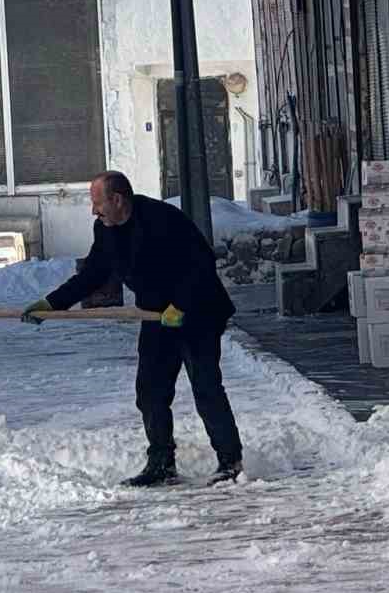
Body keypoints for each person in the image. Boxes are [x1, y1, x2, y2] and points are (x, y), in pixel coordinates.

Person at [23, 171, 243, 488]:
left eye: (97, 203)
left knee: (205, 386)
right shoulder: (106, 229)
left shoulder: (163, 219)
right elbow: (93, 274)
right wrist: (51, 304)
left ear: (118, 199)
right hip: (157, 316)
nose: (93, 211)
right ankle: (161, 464)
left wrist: (180, 306)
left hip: (199, 312)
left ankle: (230, 462)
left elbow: (201, 266)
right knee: (150, 390)